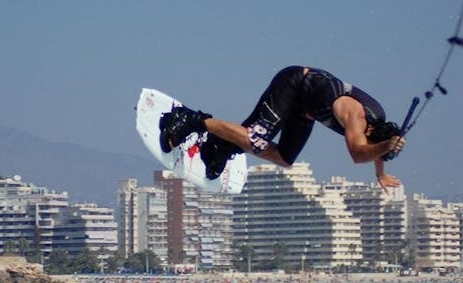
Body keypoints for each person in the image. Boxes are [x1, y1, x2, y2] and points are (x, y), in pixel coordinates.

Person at [159, 66, 406, 191]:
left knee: (286, 157)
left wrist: (380, 173)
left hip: (304, 108)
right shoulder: (357, 116)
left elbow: (373, 148)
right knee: (256, 139)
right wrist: (385, 147)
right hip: (293, 85)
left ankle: (220, 145)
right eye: (378, 147)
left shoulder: (377, 125)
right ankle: (192, 120)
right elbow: (358, 153)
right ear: (371, 134)